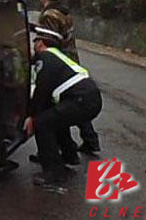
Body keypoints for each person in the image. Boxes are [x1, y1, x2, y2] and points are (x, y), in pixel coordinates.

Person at [23, 26, 103, 187]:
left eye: (35, 41)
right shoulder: (56, 56)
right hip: (89, 99)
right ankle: (69, 156)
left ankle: (54, 171)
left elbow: (41, 91)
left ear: (41, 43)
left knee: (42, 123)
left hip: (81, 100)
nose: (34, 45)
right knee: (56, 119)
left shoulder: (45, 57)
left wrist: (31, 117)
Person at [38, 0, 100, 154]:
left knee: (59, 105)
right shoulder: (64, 13)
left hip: (60, 63)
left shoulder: (49, 15)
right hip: (72, 59)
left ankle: (60, 150)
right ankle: (90, 140)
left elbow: (50, 41)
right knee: (75, 102)